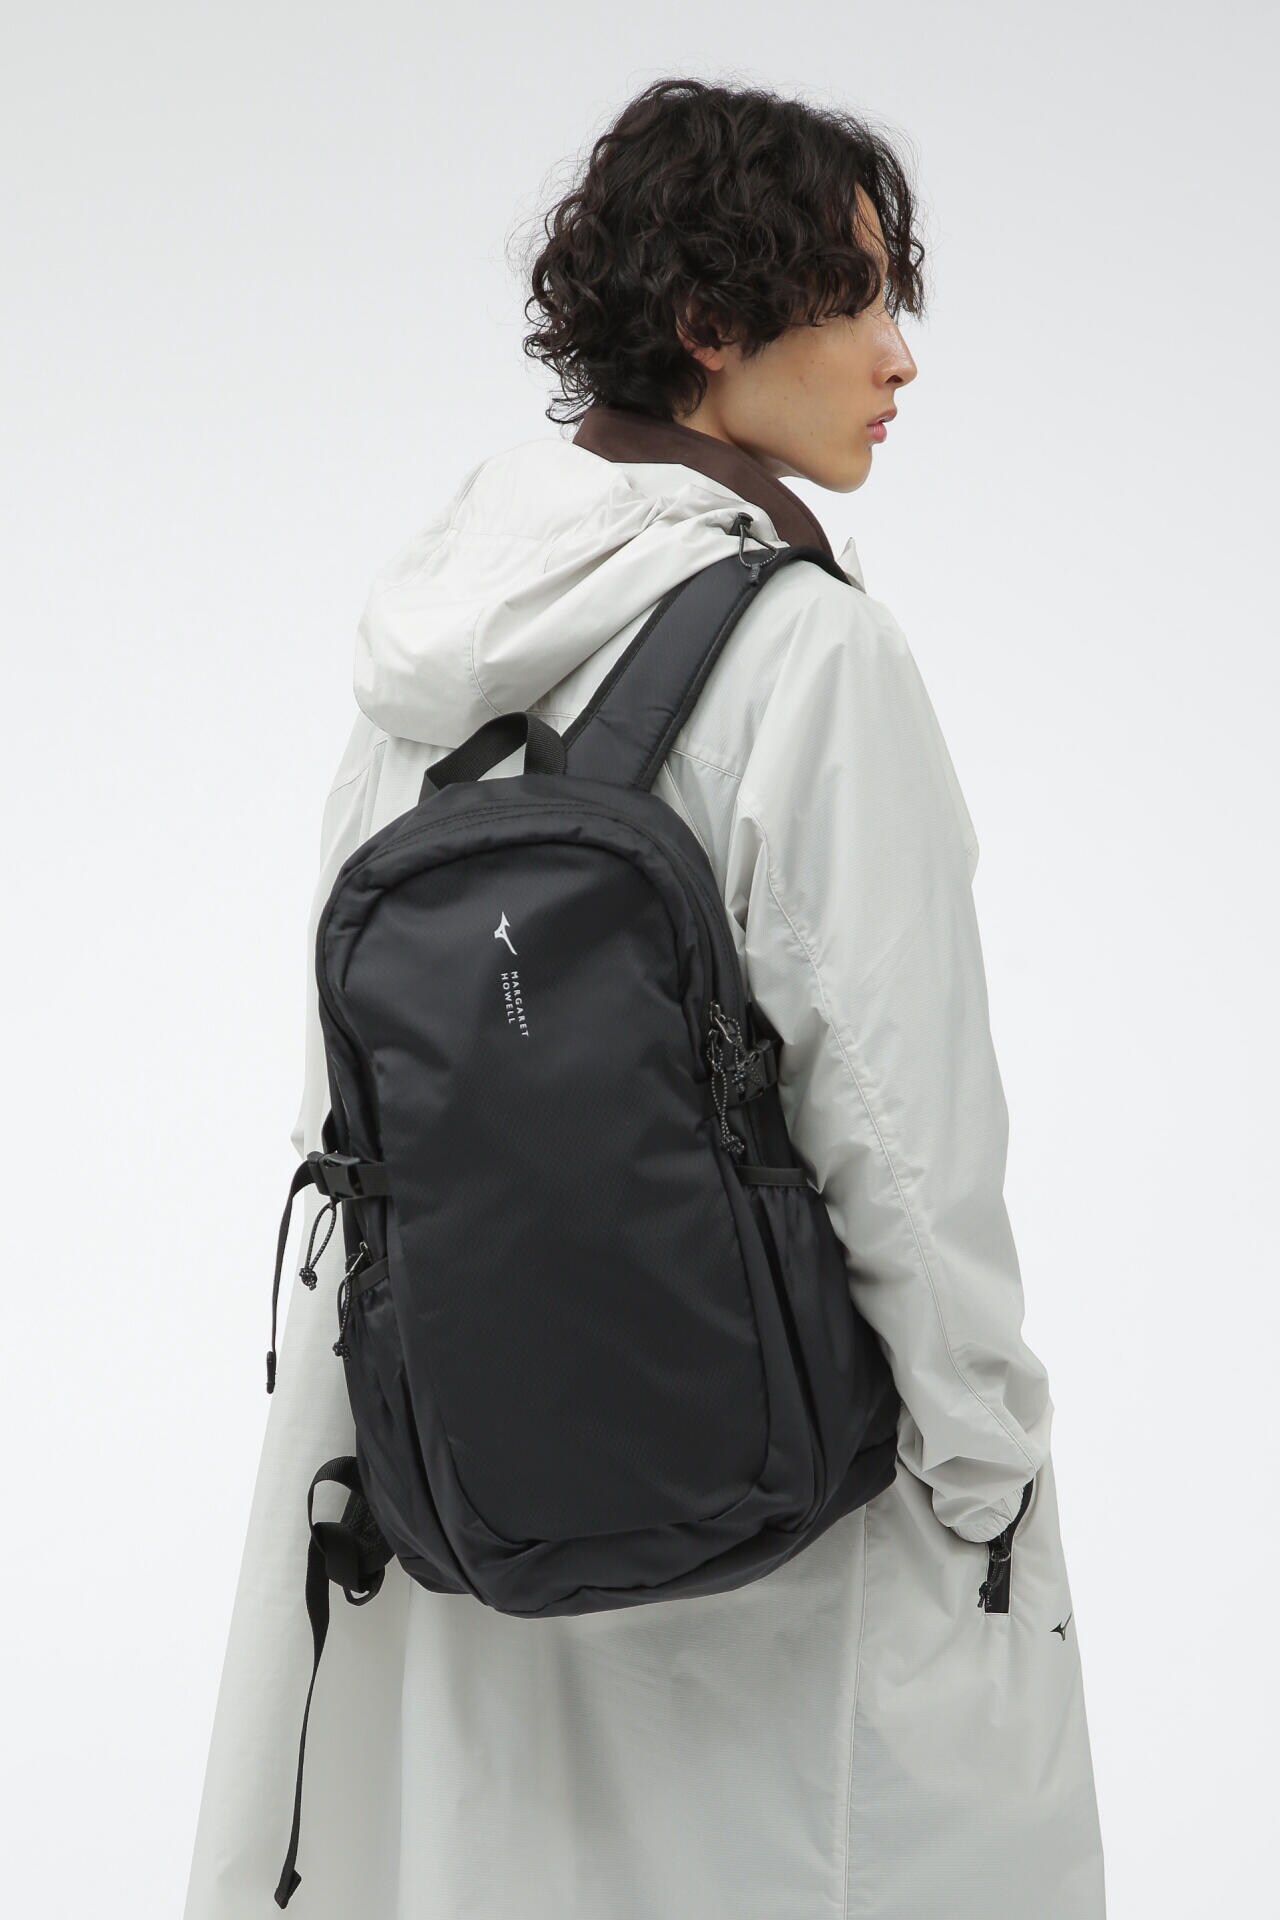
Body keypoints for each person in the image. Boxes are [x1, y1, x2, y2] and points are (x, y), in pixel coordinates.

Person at [184, 76, 1105, 1919]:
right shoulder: (809, 651)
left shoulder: (424, 654)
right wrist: (986, 1463)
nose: (899, 355)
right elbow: (902, 1125)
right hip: (782, 1503)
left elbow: (345, 1107)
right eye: (855, 297)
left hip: (464, 1485)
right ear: (707, 323)